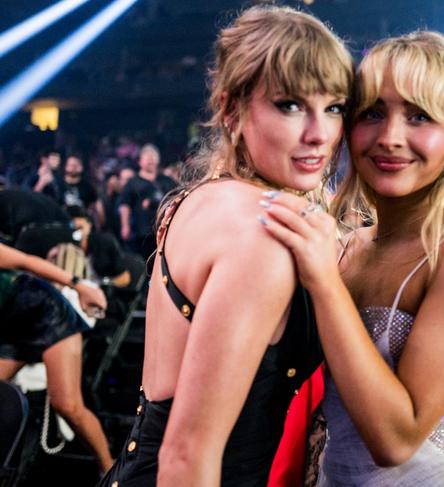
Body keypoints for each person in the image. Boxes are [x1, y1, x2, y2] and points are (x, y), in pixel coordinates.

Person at [99, 7, 353, 487]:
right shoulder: (261, 235)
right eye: (290, 105)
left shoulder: (200, 198)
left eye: (334, 106)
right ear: (232, 110)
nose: (319, 133)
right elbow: (187, 456)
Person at [260, 31, 444, 486]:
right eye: (372, 113)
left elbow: (395, 442)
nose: (390, 137)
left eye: (419, 116)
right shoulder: (344, 248)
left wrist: (324, 283)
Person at [0, 242, 112, 473]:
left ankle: (110, 471)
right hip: (10, 327)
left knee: (68, 405)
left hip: (45, 310)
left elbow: (26, 261)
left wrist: (80, 286)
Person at [118, 144, 175, 259]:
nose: (151, 159)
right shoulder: (133, 183)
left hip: (166, 229)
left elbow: (176, 198)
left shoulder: (166, 181)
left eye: (153, 156)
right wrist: (125, 226)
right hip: (143, 231)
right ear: (140, 161)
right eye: (147, 157)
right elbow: (125, 205)